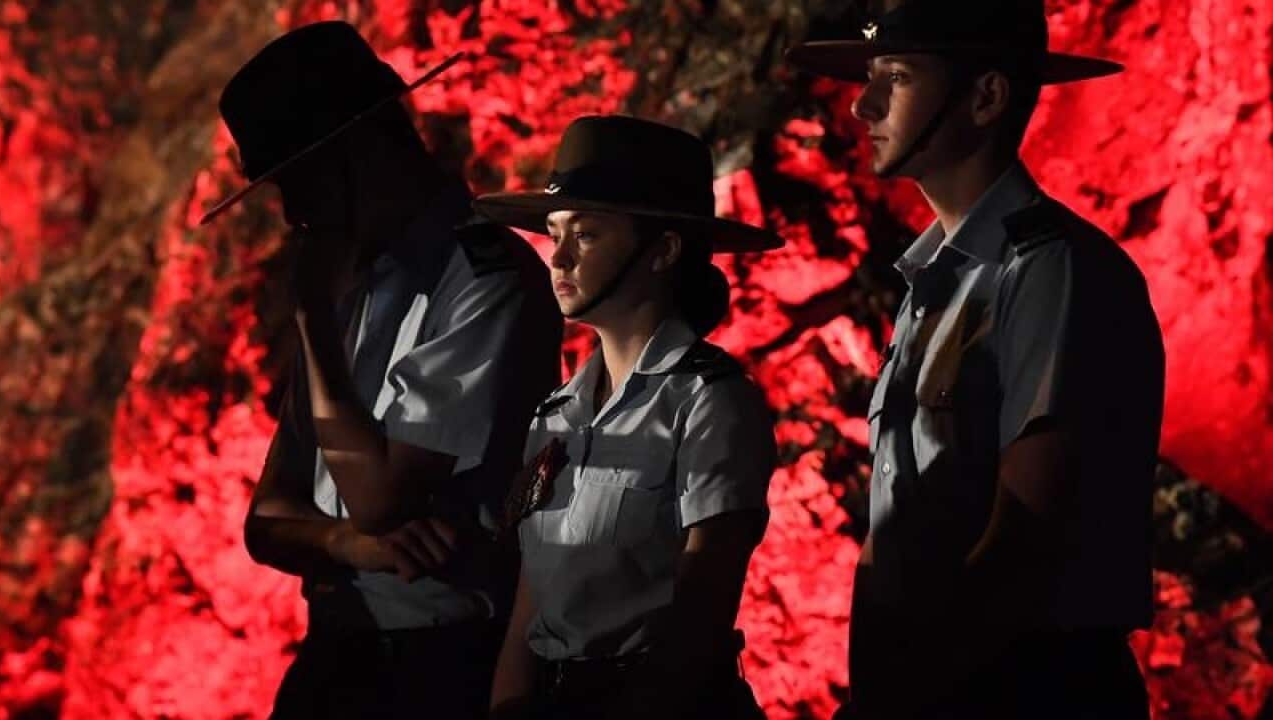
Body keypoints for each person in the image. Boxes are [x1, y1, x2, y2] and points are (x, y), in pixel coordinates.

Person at [787, 1, 1165, 718]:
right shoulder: (936, 282)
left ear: (986, 96)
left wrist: (906, 692)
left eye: (893, 77)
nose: (862, 105)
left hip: (1028, 688)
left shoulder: (1051, 270)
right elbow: (896, 527)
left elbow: (1027, 531)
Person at [201, 21, 561, 719]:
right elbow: (267, 522)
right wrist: (348, 546)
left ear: (355, 153)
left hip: (439, 665)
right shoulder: (357, 285)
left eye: (295, 184)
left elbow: (379, 498)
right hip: (338, 653)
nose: (293, 215)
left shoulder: (484, 282)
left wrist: (310, 320)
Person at [473, 115, 782, 719]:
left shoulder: (708, 403)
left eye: (585, 235)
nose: (557, 257)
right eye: (553, 233)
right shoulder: (555, 416)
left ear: (663, 249)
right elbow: (532, 605)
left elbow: (701, 613)